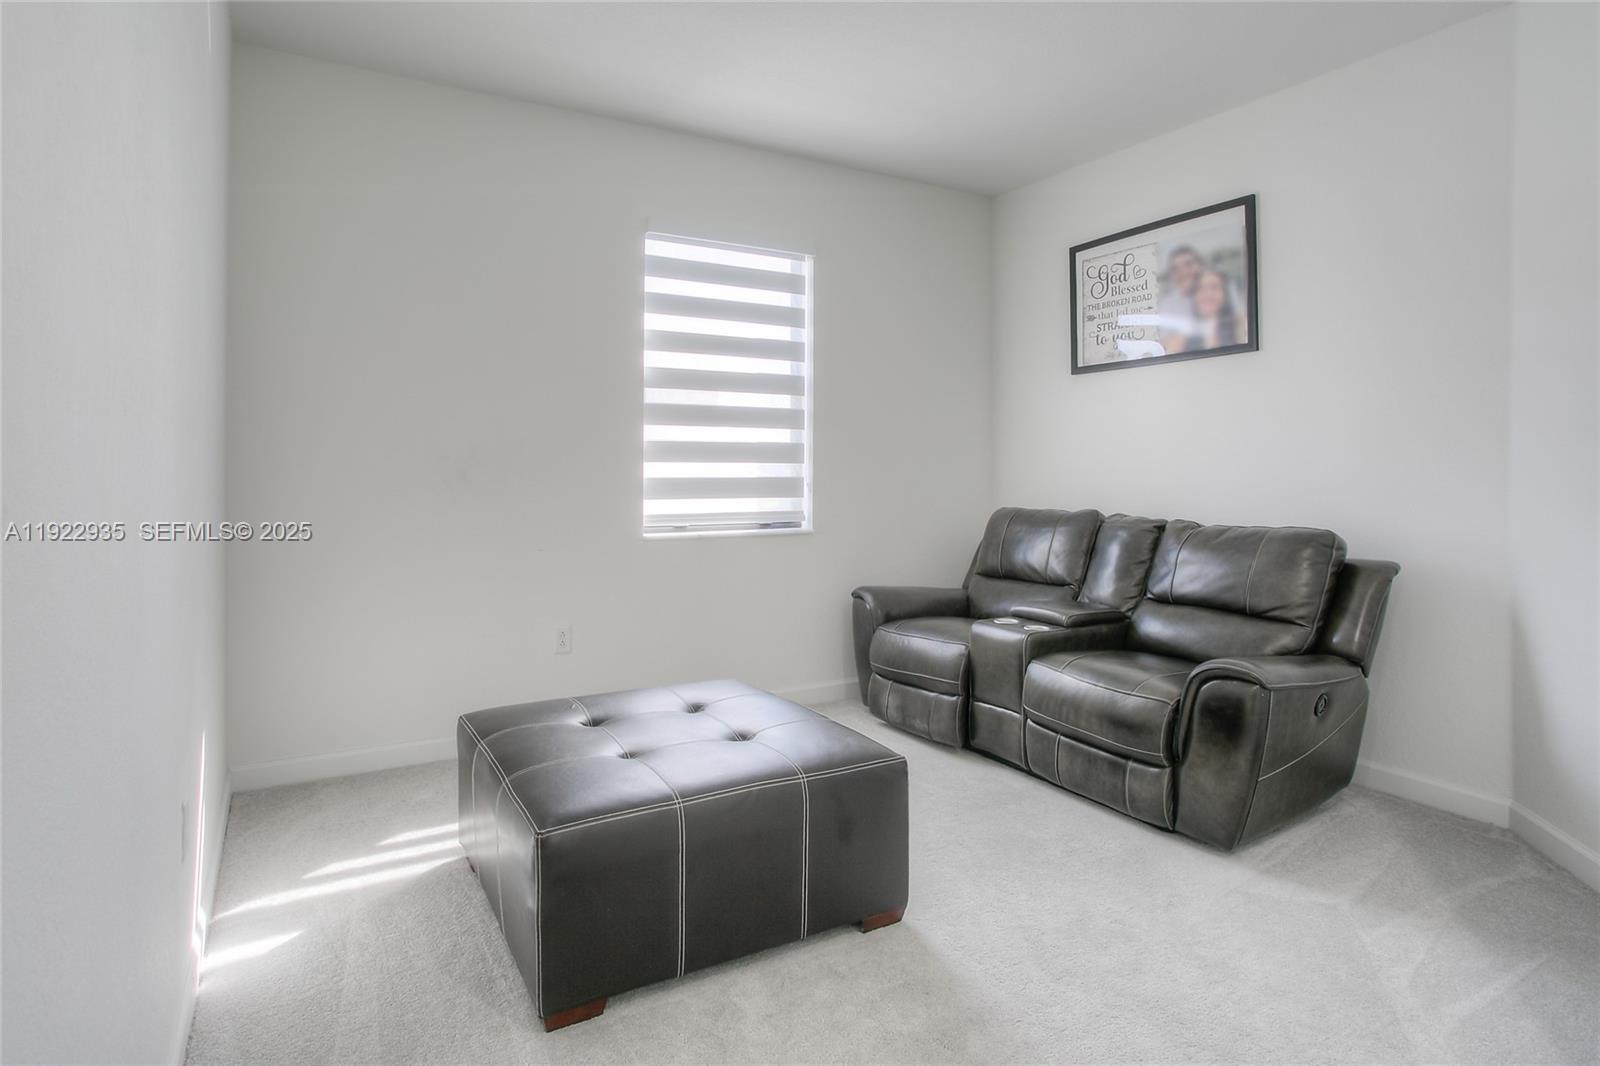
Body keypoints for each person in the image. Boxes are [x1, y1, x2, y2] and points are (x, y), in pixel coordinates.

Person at [1185, 269, 1242, 351]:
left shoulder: (1240, 328)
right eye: (1200, 288)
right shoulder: (1182, 336)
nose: (1207, 294)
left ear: (1225, 293)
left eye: (1214, 287)